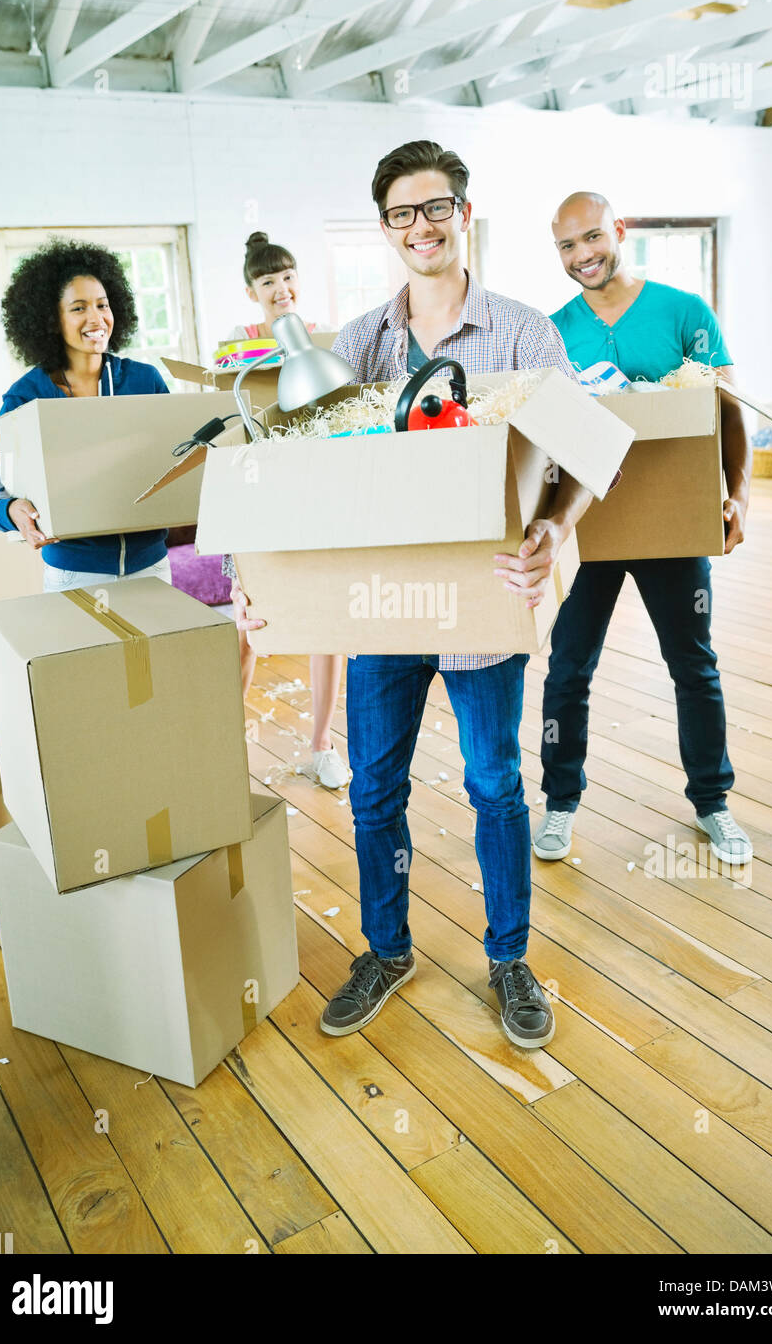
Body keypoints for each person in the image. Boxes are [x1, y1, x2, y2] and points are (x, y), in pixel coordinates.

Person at [239, 139, 598, 1049]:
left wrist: (555, 529)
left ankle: (509, 958)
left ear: (463, 214)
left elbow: (586, 451)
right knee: (373, 792)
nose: (420, 227)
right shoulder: (359, 344)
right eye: (401, 213)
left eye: (435, 207)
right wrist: (263, 586)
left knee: (494, 784)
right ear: (386, 228)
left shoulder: (522, 331)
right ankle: (386, 949)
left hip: (482, 599)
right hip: (383, 603)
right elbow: (289, 476)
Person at [533, 191, 753, 868]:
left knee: (693, 664)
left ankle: (712, 801)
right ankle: (559, 801)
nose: (582, 256)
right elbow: (540, 441)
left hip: (670, 523)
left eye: (592, 238)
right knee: (566, 667)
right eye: (567, 246)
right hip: (587, 526)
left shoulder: (683, 313)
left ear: (618, 231)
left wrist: (738, 494)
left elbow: (727, 411)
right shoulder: (551, 330)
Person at [225, 232, 349, 791]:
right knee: (250, 623)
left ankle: (322, 745)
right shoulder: (240, 348)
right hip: (259, 497)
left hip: (320, 492)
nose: (281, 289)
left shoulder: (322, 341)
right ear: (252, 291)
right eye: (268, 281)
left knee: (328, 624)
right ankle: (223, 741)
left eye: (287, 277)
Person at [0, 237, 172, 591]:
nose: (96, 318)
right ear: (51, 319)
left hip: (152, 565)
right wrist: (11, 512)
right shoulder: (26, 396)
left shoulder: (145, 380)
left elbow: (179, 461)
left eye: (103, 304)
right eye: (79, 308)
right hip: (75, 573)